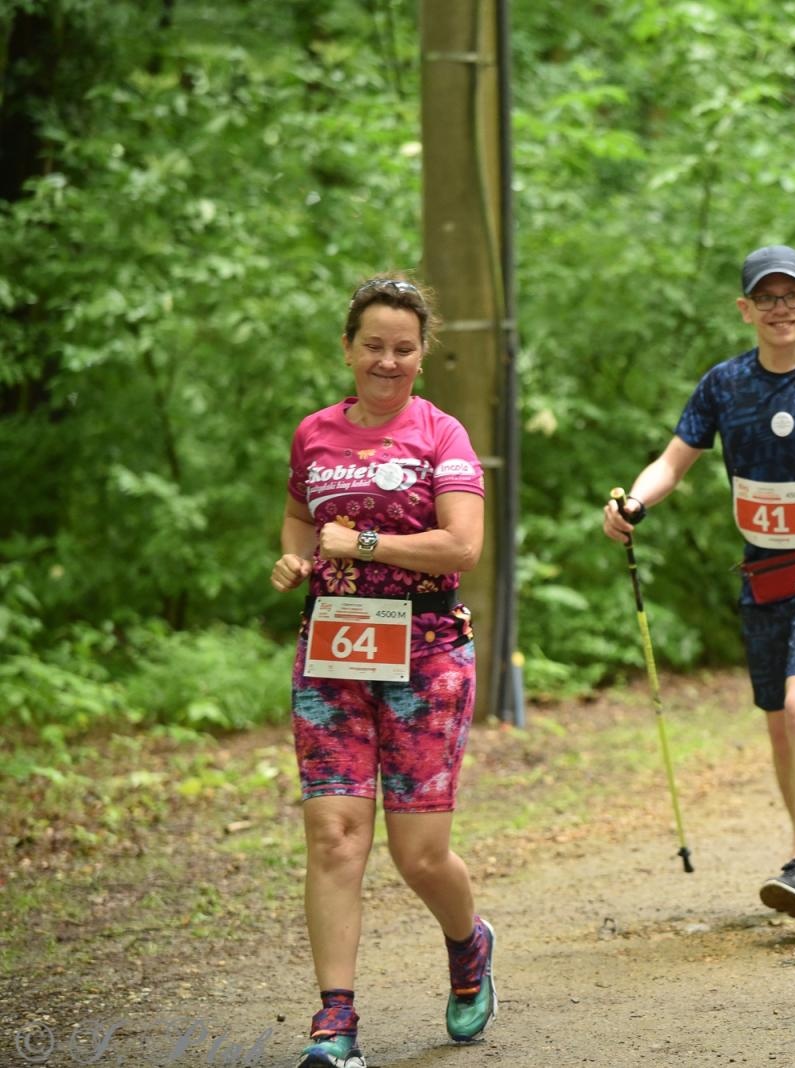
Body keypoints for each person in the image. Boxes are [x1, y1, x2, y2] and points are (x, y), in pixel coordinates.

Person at [602, 245, 795, 920]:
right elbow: (673, 461)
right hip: (763, 572)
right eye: (766, 298)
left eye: (791, 295)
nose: (780, 308)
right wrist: (635, 504)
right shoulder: (725, 385)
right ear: (746, 309)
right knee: (778, 722)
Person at [271, 275, 496, 1068]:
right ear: (348, 348)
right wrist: (297, 557)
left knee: (419, 854)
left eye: (403, 349)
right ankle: (336, 1021)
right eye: (373, 346)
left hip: (428, 654)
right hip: (332, 651)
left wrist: (362, 546)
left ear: (422, 354)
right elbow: (303, 513)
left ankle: (469, 946)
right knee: (335, 838)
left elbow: (461, 546)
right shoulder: (314, 434)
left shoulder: (443, 436)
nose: (387, 361)